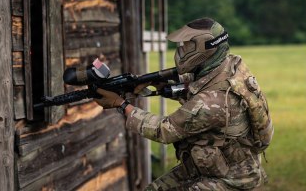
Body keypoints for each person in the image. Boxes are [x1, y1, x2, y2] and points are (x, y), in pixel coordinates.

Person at [94, 18, 274, 191]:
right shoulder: (229, 64)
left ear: (204, 48)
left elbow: (164, 130)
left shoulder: (213, 102)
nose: (181, 51)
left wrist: (120, 104)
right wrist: (157, 84)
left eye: (187, 45)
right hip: (218, 163)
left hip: (231, 180)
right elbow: (197, 84)